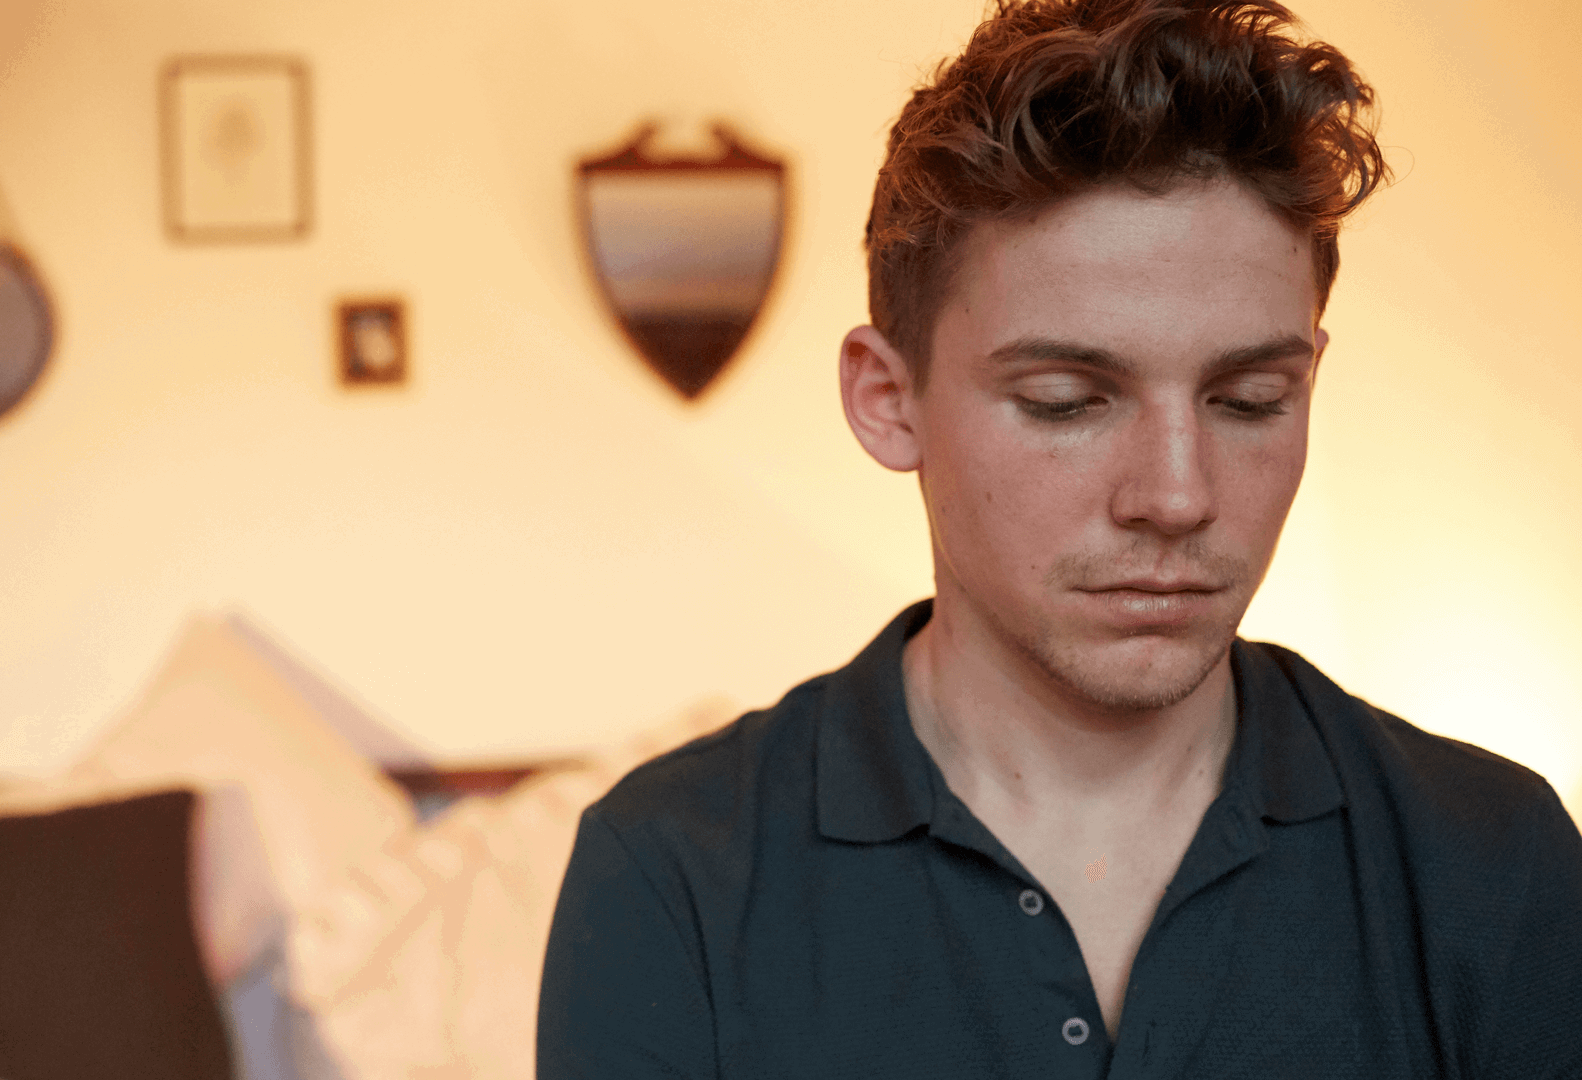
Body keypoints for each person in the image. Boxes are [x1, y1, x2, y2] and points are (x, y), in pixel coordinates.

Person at [536, 0, 1582, 1075]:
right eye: (1067, 400)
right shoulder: (667, 872)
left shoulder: (1494, 858)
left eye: (1251, 399)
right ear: (888, 401)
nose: (1177, 496)